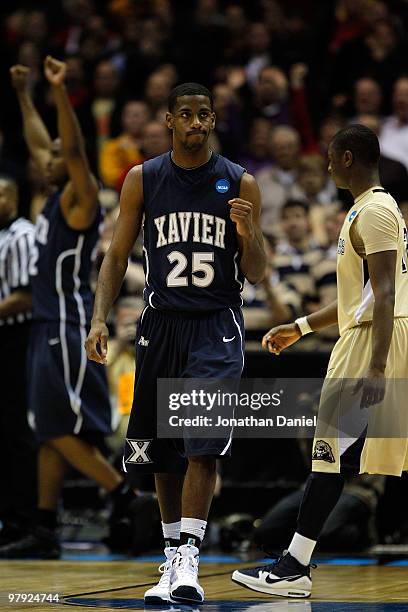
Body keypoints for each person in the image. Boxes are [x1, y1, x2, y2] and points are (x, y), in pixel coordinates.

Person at [85, 82, 266, 604]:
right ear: (168, 120)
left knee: (201, 443)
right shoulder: (143, 178)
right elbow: (117, 256)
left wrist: (249, 231)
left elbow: (255, 272)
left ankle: (188, 557)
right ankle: (170, 561)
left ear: (213, 121)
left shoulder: (240, 182)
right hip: (160, 323)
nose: (195, 123)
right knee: (160, 452)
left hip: (215, 325)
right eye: (185, 114)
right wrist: (99, 318)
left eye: (204, 115)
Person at [232, 124, 408, 597]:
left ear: (349, 158)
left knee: (331, 454)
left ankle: (294, 567)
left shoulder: (373, 211)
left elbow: (388, 292)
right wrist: (303, 327)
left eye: (331, 157)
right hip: (369, 335)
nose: (327, 165)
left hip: (375, 345)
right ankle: (296, 565)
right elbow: (363, 296)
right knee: (335, 455)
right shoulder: (370, 210)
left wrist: (374, 368)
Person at [0, 59, 137, 559]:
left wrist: (58, 92)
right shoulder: (54, 192)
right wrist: (23, 94)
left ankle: (124, 492)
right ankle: (43, 527)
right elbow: (44, 144)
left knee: (59, 429)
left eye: (56, 153)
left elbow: (71, 147)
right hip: (44, 326)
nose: (46, 156)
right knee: (45, 431)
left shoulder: (79, 200)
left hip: (66, 323)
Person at [0, 176, 37, 545]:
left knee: (15, 430)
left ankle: (24, 519)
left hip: (16, 338)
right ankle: (9, 518)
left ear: (13, 199)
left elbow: (25, 296)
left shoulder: (23, 234)